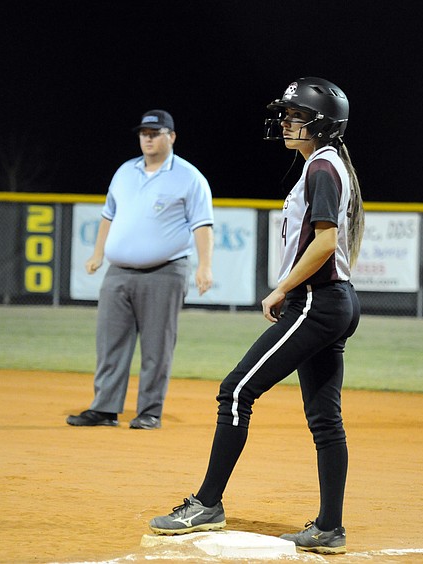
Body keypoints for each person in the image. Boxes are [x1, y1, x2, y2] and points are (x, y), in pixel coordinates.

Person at [149, 78, 364, 555]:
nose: (285, 121)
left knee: (236, 389)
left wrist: (283, 288)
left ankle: (206, 504)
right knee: (325, 419)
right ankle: (329, 528)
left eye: (295, 114)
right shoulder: (327, 166)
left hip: (316, 299)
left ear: (322, 123)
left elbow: (325, 242)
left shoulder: (322, 169)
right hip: (335, 300)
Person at [67, 109, 214, 430]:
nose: (147, 138)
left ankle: (149, 410)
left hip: (165, 271)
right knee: (110, 343)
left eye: (155, 132)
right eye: (144, 133)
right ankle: (105, 408)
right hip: (118, 271)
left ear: (171, 136)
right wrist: (97, 254)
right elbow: (108, 216)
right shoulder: (124, 172)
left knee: (156, 346)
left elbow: (203, 225)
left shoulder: (189, 177)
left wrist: (204, 266)